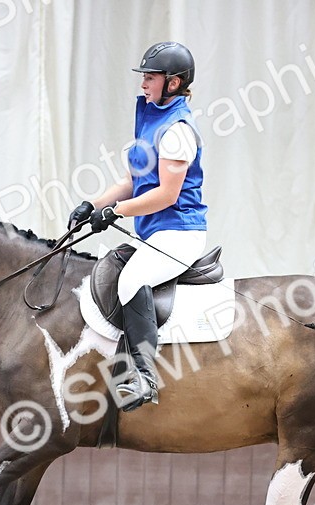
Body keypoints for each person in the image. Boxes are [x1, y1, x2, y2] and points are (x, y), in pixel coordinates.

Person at [67, 41, 207, 411]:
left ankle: (144, 376)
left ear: (173, 83)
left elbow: (166, 194)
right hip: (155, 231)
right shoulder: (150, 116)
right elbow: (134, 180)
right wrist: (94, 204)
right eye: (144, 77)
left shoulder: (177, 129)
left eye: (151, 77)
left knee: (132, 281)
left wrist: (117, 212)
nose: (144, 83)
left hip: (180, 231)